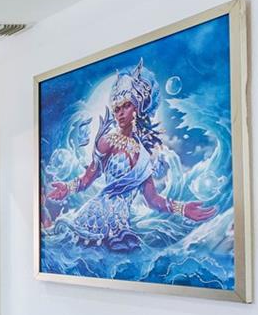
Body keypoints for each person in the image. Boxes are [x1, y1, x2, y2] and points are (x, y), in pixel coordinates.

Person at [44, 60, 216, 252]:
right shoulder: (107, 141)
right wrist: (67, 188)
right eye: (116, 109)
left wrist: (183, 209)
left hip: (121, 228)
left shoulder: (144, 155)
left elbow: (153, 200)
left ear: (138, 107)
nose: (120, 113)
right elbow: (86, 179)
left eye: (126, 106)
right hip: (94, 220)